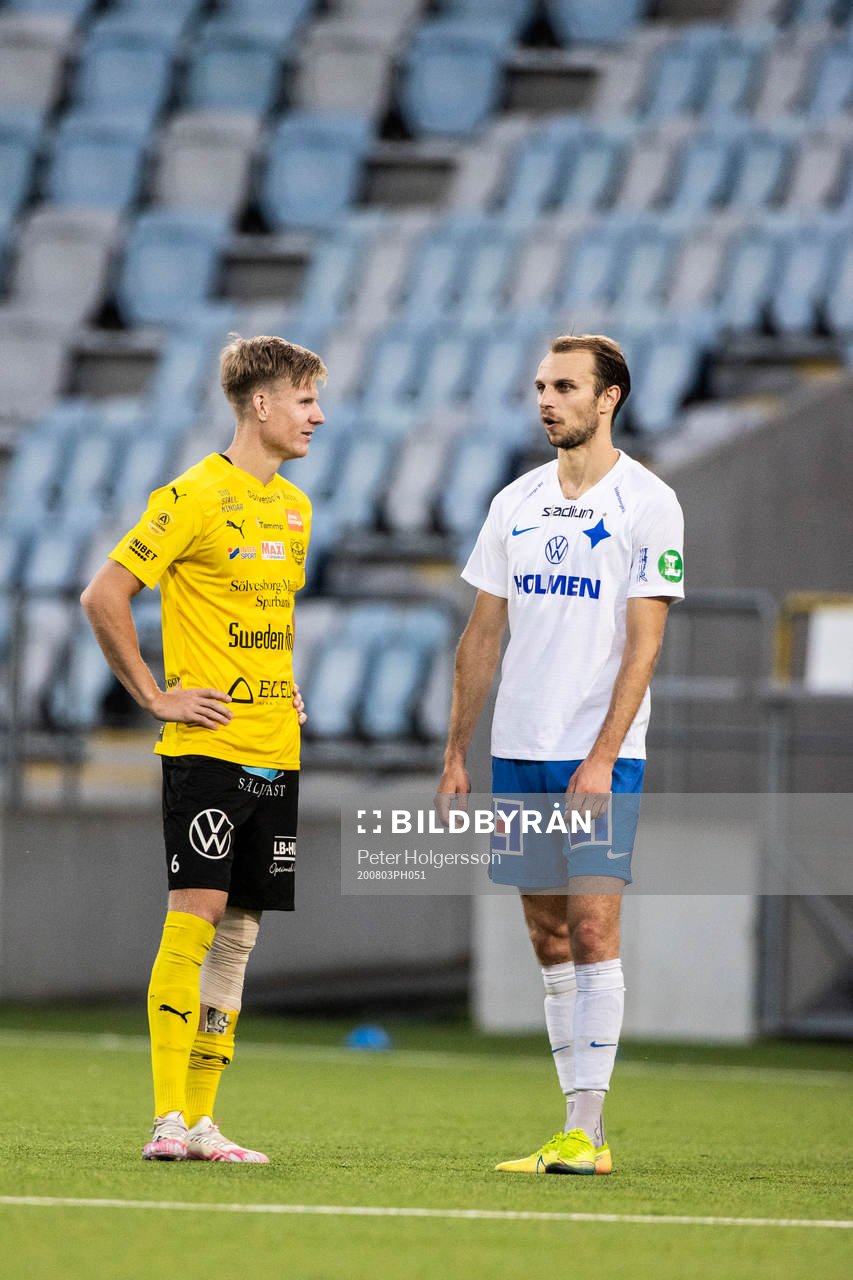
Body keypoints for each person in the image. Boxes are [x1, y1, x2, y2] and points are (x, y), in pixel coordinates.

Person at [437, 334, 684, 1176]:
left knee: (590, 927)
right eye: (541, 385)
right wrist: (456, 752)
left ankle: (587, 1131)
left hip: (600, 755)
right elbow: (482, 636)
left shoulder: (649, 502)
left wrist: (602, 755)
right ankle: (573, 1129)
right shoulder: (514, 501)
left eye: (565, 386)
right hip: (519, 749)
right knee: (547, 937)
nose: (546, 400)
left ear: (608, 398)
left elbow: (645, 643)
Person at [81, 334, 326, 1162]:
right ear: (261, 403)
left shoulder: (295, 510)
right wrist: (154, 696)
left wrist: (282, 684)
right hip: (208, 749)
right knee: (198, 916)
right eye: (305, 400)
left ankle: (203, 1121)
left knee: (241, 932)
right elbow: (104, 595)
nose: (317, 416)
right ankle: (166, 1119)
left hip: (276, 748)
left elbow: (260, 621)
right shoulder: (190, 496)